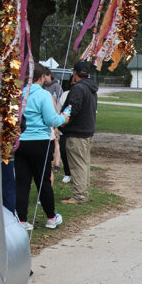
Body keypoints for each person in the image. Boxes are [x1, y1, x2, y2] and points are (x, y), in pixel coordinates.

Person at [15, 64, 70, 230]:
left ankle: (21, 220)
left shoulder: (18, 94)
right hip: (39, 142)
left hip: (20, 142)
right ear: (40, 77)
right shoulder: (43, 95)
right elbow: (50, 120)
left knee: (22, 182)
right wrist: (64, 118)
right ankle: (51, 217)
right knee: (43, 181)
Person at [59, 61, 98, 204]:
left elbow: (72, 108)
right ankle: (83, 191)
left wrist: (63, 121)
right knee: (84, 162)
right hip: (87, 131)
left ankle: (79, 196)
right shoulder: (91, 89)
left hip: (77, 132)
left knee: (77, 165)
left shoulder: (78, 89)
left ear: (75, 73)